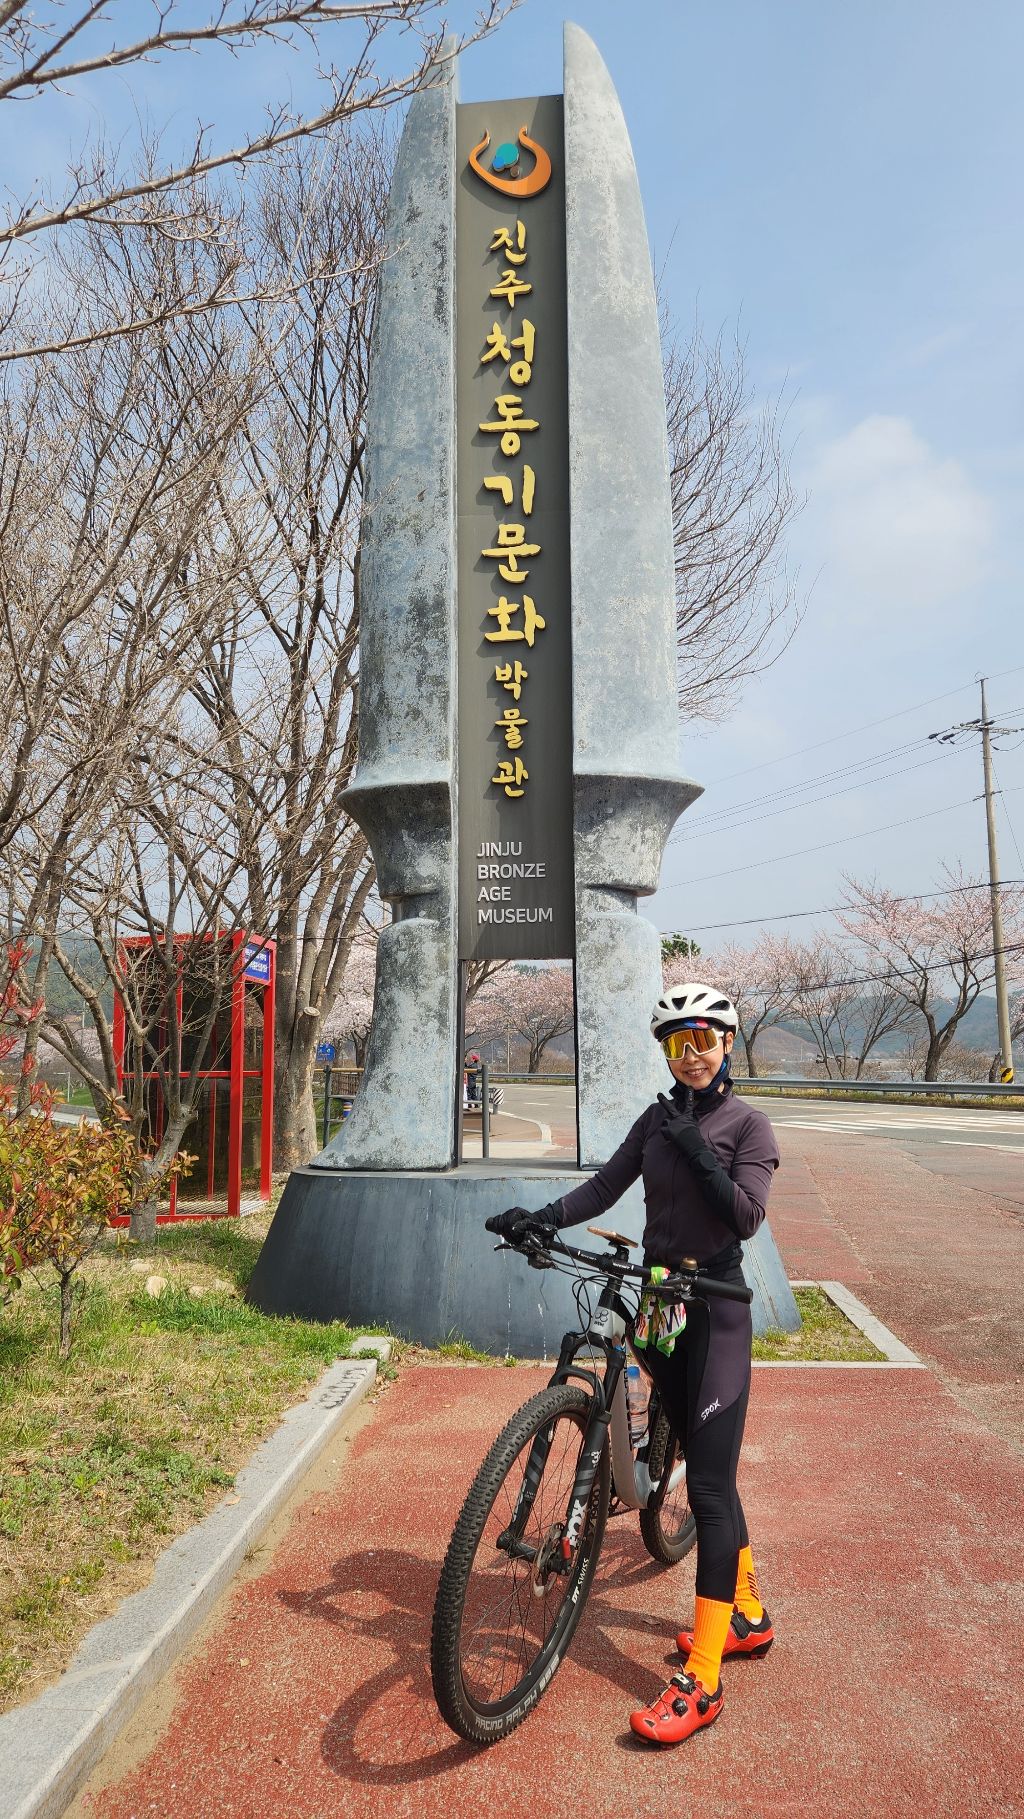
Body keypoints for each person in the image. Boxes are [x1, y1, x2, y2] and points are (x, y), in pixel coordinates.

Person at [486, 981, 780, 1748]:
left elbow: (746, 1214)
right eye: (678, 1042)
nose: (691, 1055)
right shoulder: (656, 1118)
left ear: (727, 1042)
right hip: (658, 1305)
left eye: (704, 1039)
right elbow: (606, 1185)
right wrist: (541, 1216)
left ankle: (704, 1678)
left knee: (708, 1485)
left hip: (713, 1309)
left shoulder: (748, 1125)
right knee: (704, 1461)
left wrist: (697, 1151)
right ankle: (747, 1614)